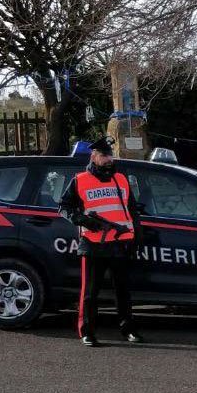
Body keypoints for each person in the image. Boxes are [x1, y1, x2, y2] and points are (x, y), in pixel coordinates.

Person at [58, 137, 144, 347]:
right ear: (94, 156)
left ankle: (128, 329)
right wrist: (83, 220)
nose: (108, 159)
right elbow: (64, 207)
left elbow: (132, 211)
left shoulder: (121, 179)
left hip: (120, 243)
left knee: (123, 291)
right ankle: (87, 332)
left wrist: (137, 237)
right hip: (93, 243)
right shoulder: (80, 180)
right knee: (90, 293)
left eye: (110, 155)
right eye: (104, 156)